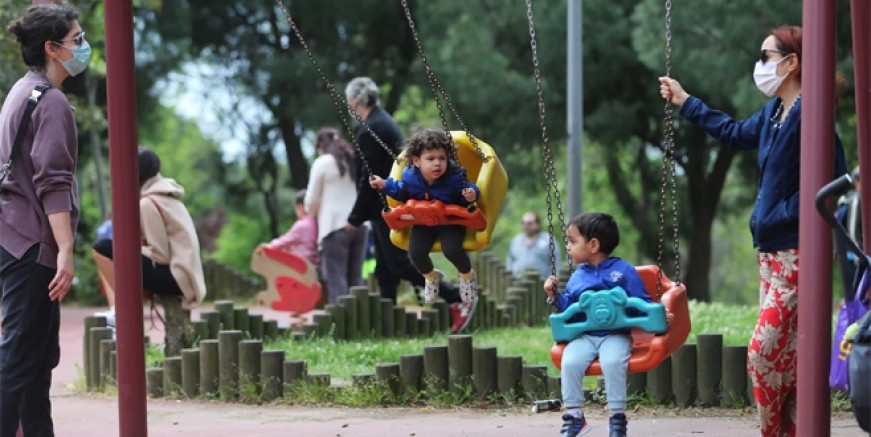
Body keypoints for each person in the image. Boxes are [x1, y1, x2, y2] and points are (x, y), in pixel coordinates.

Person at [659, 25, 847, 437]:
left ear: (791, 62)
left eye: (766, 56)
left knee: (762, 354)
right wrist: (686, 101)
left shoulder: (813, 116)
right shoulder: (775, 113)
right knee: (787, 360)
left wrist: (784, 213)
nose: (759, 65)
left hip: (798, 254)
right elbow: (733, 132)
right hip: (769, 255)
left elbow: (834, 182)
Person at [0, 4, 84, 435]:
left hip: (15, 237)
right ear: (52, 48)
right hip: (33, 244)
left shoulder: (22, 90)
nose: (83, 47)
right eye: (76, 40)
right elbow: (52, 182)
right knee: (17, 361)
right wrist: (65, 249)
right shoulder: (50, 102)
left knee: (34, 363)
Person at [344, 76, 476, 333]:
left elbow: (367, 178)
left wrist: (354, 217)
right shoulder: (382, 120)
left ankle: (454, 297)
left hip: (390, 206)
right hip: (390, 201)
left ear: (355, 101)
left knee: (398, 263)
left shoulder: (370, 129)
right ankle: (387, 325)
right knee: (384, 269)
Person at [544, 212, 653, 437]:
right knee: (570, 362)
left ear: (593, 245)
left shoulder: (624, 271)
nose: (567, 246)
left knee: (612, 362)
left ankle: (617, 418)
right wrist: (555, 296)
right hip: (584, 335)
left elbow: (643, 301)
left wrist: (659, 314)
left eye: (572, 241)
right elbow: (570, 309)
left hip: (615, 334)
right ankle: (575, 418)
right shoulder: (578, 276)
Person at [92, 147, 207, 323]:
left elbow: (160, 255)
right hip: (185, 277)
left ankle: (121, 310)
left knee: (102, 248)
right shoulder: (167, 196)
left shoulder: (148, 203)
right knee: (113, 250)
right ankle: (121, 308)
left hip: (176, 278)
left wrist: (132, 248)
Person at [369, 128, 480, 304]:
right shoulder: (410, 176)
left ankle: (467, 276)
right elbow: (401, 192)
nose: (437, 163)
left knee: (451, 250)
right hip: (423, 222)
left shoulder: (455, 176)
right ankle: (431, 277)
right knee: (416, 253)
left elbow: (469, 189)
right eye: (431, 159)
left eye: (442, 158)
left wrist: (471, 195)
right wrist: (384, 184)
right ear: (416, 161)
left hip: (450, 222)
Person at [305, 127, 367, 304]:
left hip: (335, 226)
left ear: (320, 145)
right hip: (360, 224)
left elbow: (310, 201)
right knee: (356, 277)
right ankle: (360, 317)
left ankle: (342, 319)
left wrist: (312, 212)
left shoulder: (322, 162)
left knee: (336, 276)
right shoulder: (353, 159)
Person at [264, 189, 319, 267]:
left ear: (299, 206)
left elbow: (285, 241)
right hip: (315, 264)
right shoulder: (316, 222)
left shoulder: (302, 225)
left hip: (302, 265)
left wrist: (268, 247)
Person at [507, 211, 561, 278]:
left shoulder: (548, 240)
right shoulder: (515, 241)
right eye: (523, 223)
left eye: (529, 223)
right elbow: (510, 262)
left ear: (537, 224)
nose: (526, 226)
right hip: (517, 282)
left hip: (542, 282)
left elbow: (556, 264)